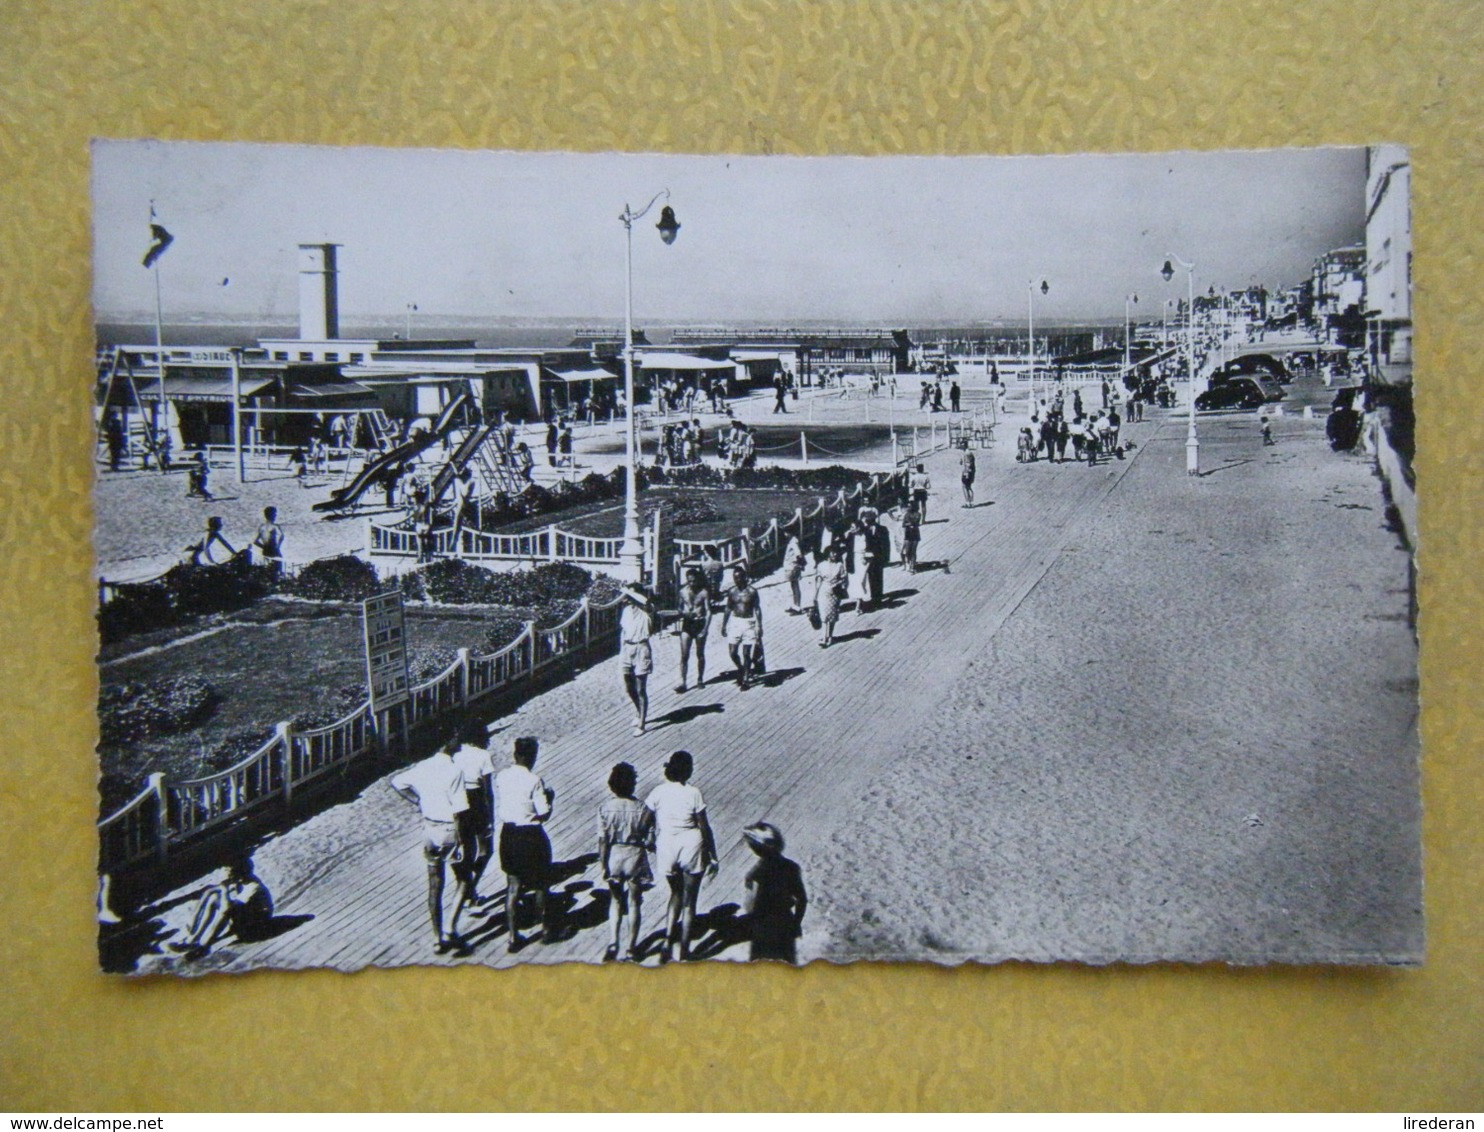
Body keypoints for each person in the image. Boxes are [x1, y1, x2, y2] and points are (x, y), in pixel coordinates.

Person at [389, 735, 474, 955]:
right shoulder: (455, 772)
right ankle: (450, 928)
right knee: (465, 878)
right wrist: (462, 841)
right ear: (448, 743)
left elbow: (397, 783)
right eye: (456, 739)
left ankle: (437, 939)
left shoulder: (423, 767)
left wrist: (418, 801)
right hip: (449, 830)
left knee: (435, 886)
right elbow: (459, 811)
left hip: (429, 831)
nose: (459, 743)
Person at [645, 750, 718, 962]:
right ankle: (684, 949)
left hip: (667, 845)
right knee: (689, 901)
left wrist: (649, 838)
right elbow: (704, 827)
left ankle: (668, 939)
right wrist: (713, 855)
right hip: (691, 845)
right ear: (688, 770)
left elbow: (644, 822)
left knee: (674, 893)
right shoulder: (694, 793)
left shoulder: (658, 792)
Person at [494, 736, 555, 951]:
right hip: (531, 834)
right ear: (531, 756)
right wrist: (550, 798)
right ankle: (546, 930)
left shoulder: (502, 776)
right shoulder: (534, 780)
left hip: (508, 834)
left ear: (515, 754)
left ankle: (512, 936)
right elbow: (544, 813)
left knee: (513, 886)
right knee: (540, 883)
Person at [598, 761, 654, 962]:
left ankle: (613, 941)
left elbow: (603, 840)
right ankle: (631, 947)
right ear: (632, 784)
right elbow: (649, 838)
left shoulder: (605, 808)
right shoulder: (641, 807)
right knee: (634, 902)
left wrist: (603, 864)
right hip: (635, 855)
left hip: (614, 854)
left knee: (615, 901)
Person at [167, 857, 274, 961]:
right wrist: (215, 890)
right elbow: (217, 894)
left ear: (238, 875)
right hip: (248, 913)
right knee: (211, 895)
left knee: (226, 911)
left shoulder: (253, 887)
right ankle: (192, 936)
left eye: (230, 874)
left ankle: (205, 946)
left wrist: (224, 889)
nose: (228, 877)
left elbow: (228, 908)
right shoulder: (243, 880)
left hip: (259, 922)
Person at [741, 822, 808, 963]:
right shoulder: (792, 867)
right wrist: (796, 923)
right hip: (785, 923)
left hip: (762, 927)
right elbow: (802, 899)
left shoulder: (754, 874)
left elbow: (749, 906)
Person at [451, 719, 496, 903]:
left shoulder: (456, 753)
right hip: (476, 801)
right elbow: (488, 792)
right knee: (486, 849)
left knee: (467, 852)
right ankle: (470, 890)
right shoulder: (483, 755)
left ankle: (466, 891)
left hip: (458, 801)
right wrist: (491, 817)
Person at [619, 583, 655, 735]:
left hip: (642, 648)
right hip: (627, 648)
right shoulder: (626, 611)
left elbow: (645, 602)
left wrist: (629, 592)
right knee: (629, 686)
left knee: (641, 688)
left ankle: (642, 724)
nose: (627, 599)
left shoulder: (647, 610)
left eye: (631, 596)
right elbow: (624, 630)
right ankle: (639, 711)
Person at [720, 565, 763, 689]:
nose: (736, 580)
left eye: (739, 578)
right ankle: (741, 668)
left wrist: (759, 625)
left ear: (744, 577)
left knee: (746, 653)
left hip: (748, 622)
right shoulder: (732, 592)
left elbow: (757, 609)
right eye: (734, 578)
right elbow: (728, 608)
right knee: (733, 652)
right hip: (735, 622)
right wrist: (724, 625)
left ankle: (746, 679)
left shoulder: (752, 592)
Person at [674, 566, 712, 693]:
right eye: (689, 581)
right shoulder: (683, 592)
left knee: (700, 654)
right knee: (684, 655)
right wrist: (684, 613)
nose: (691, 583)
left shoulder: (703, 593)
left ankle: (700, 679)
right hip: (687, 624)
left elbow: (708, 612)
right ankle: (682, 681)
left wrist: (705, 630)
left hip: (699, 623)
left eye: (693, 581)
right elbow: (679, 608)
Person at [812, 542, 849, 647]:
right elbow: (818, 581)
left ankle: (830, 636)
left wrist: (840, 585)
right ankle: (824, 637)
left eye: (836, 553)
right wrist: (815, 595)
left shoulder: (840, 565)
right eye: (832, 553)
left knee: (832, 616)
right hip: (824, 592)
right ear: (827, 553)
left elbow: (844, 579)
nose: (834, 555)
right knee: (824, 616)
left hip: (835, 593)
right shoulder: (821, 565)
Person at [858, 508, 891, 611]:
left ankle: (877, 599)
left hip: (877, 558)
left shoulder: (882, 529)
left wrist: (886, 559)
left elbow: (886, 545)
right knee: (862, 579)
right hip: (865, 558)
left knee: (877, 578)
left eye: (869, 520)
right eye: (866, 520)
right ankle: (862, 601)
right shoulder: (863, 530)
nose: (867, 522)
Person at [252, 506, 284, 572]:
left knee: (267, 569)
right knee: (277, 570)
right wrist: (278, 546)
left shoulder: (262, 527)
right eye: (274, 514)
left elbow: (255, 541)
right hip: (275, 551)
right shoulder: (276, 526)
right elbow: (282, 537)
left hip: (266, 551)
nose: (275, 516)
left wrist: (264, 547)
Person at [782, 532, 807, 613]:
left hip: (793, 566)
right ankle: (794, 605)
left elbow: (798, 554)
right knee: (793, 586)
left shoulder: (793, 542)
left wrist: (801, 565)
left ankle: (797, 606)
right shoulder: (791, 541)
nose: (785, 534)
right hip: (790, 566)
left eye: (786, 532)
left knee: (795, 586)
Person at [450, 468, 474, 544]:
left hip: (462, 503)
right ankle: (455, 539)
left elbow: (465, 494)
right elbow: (457, 475)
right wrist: (452, 466)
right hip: (462, 502)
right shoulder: (464, 483)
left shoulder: (469, 483)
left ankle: (454, 540)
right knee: (457, 521)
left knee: (457, 520)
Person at [898, 499, 921, 574]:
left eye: (909, 506)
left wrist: (909, 523)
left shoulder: (918, 514)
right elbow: (903, 524)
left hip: (915, 534)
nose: (908, 508)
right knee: (907, 551)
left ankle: (912, 567)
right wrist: (910, 524)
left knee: (913, 551)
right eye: (908, 506)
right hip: (908, 533)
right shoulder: (907, 514)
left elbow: (916, 522)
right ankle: (909, 563)